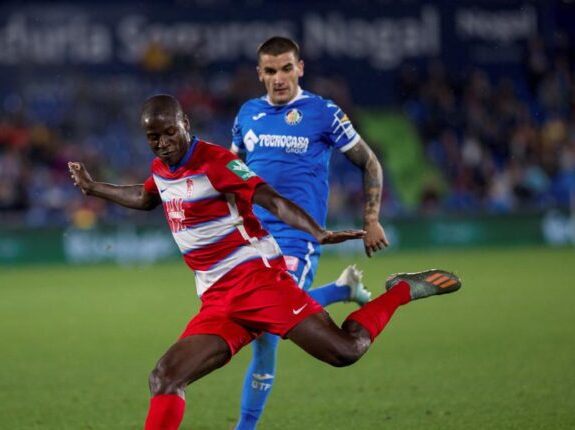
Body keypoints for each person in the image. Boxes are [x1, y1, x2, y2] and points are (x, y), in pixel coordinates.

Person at [68, 94, 461, 430]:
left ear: (185, 123)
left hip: (256, 280)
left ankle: (402, 291)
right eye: (154, 137)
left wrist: (316, 231)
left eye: (170, 132)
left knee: (345, 351)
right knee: (165, 378)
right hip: (217, 298)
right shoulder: (162, 168)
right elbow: (146, 196)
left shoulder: (216, 162)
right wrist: (92, 187)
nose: (164, 143)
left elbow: (269, 199)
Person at [229, 36, 390, 429]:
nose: (279, 78)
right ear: (260, 74)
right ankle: (340, 290)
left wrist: (371, 219)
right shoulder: (247, 114)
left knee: (268, 325)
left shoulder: (323, 112)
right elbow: (230, 172)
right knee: (258, 321)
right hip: (249, 238)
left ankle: (244, 429)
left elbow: (370, 163)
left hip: (296, 239)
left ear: (300, 68)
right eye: (270, 70)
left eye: (287, 68)